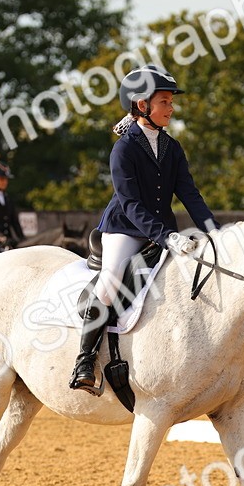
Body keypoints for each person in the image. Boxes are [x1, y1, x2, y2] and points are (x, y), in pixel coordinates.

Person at [68, 64, 220, 395]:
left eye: (170, 102)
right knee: (110, 282)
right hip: (124, 229)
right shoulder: (124, 148)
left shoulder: (172, 147)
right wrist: (166, 236)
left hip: (164, 231)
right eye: (165, 101)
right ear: (142, 105)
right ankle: (84, 360)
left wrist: (215, 231)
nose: (171, 108)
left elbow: (190, 195)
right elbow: (131, 204)